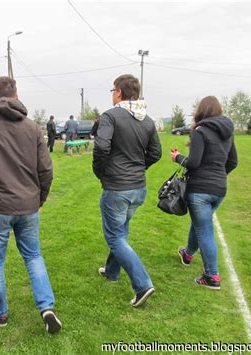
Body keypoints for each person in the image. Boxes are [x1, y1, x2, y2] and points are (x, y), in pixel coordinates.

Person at [0, 76, 62, 333]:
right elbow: (46, 170)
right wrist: (39, 198)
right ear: (16, 96)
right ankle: (47, 307)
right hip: (25, 205)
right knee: (33, 256)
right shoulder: (32, 128)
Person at [93, 74, 161, 307]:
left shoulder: (110, 116)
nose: (112, 94)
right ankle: (111, 271)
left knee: (114, 236)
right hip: (137, 188)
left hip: (118, 188)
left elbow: (101, 145)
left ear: (119, 92)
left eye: (113, 90)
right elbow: (155, 154)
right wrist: (137, 169)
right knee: (120, 232)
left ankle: (142, 285)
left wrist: (101, 171)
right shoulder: (148, 120)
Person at [171, 96, 238, 290]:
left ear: (201, 110)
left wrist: (177, 157)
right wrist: (217, 177)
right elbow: (233, 162)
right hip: (219, 189)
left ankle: (212, 275)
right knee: (200, 224)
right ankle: (188, 253)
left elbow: (193, 163)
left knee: (204, 230)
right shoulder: (228, 132)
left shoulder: (200, 131)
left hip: (200, 190)